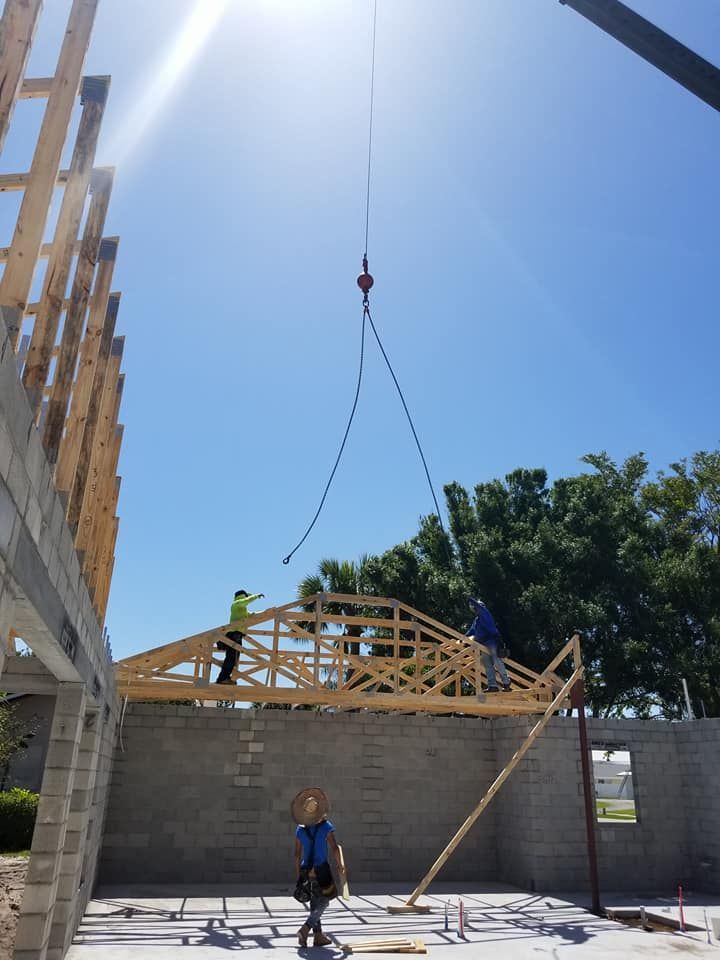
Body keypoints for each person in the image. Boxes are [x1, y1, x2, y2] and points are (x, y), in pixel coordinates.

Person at [292, 788, 343, 948]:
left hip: (306, 870)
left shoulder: (300, 829)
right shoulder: (326, 826)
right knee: (324, 902)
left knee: (315, 902)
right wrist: (340, 864)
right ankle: (305, 929)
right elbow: (335, 848)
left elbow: (297, 854)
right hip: (321, 870)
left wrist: (299, 874)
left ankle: (318, 936)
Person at [215, 589, 264, 684]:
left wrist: (266, 612)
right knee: (231, 658)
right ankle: (222, 679)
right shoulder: (236, 604)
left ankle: (224, 678)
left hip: (236, 635)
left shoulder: (242, 610)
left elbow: (252, 615)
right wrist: (256, 596)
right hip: (234, 635)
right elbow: (244, 602)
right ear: (243, 596)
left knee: (233, 659)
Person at [466, 597, 512, 693]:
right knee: (487, 664)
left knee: (496, 661)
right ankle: (492, 686)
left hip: (492, 642)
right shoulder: (477, 620)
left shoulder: (485, 613)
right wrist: (463, 638)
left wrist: (470, 599)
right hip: (483, 644)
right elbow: (471, 631)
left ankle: (506, 681)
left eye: (476, 608)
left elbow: (479, 607)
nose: (475, 610)